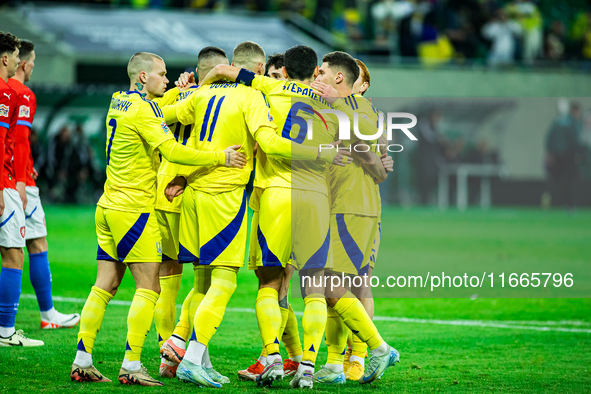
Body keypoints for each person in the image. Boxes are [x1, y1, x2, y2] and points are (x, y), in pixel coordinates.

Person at [160, 43, 345, 389]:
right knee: (314, 289)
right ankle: (309, 365)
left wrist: (204, 79)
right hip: (317, 197)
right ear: (315, 71)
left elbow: (231, 80)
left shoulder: (266, 88)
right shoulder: (334, 104)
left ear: (283, 71)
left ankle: (271, 354)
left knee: (266, 283)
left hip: (270, 194)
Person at [69, 52, 246, 386]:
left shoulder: (117, 100)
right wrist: (220, 156)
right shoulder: (144, 109)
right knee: (149, 286)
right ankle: (132, 365)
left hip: (107, 205)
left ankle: (82, 360)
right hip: (133, 208)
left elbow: (167, 114)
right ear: (142, 78)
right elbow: (175, 152)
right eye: (161, 75)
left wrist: (191, 89)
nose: (167, 79)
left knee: (104, 285)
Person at [311, 51, 398, 385]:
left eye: (323, 72)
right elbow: (382, 155)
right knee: (355, 285)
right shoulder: (373, 112)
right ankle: (341, 363)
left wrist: (374, 165)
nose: (317, 78)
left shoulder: (344, 109)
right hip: (361, 207)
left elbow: (372, 157)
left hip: (347, 207)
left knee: (333, 287)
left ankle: (371, 350)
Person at [8, 39, 80, 330]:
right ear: (23, 63)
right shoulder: (23, 94)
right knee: (31, 244)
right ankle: (43, 316)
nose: (32, 66)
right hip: (16, 181)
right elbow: (20, 140)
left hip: (9, 178)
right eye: (33, 62)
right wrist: (24, 180)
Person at [0, 31, 44, 347]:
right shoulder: (11, 93)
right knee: (15, 253)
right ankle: (5, 331)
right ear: (6, 58)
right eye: (15, 56)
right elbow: (13, 141)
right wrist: (18, 179)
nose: (19, 62)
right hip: (6, 183)